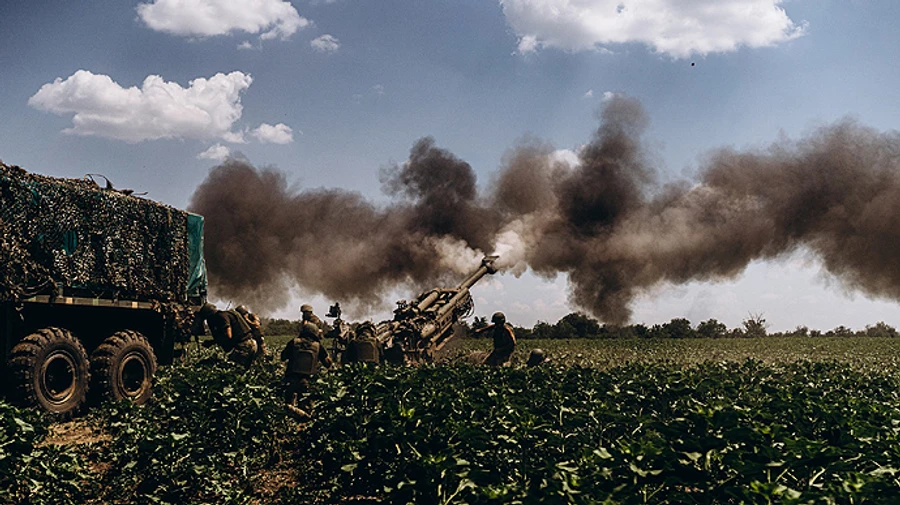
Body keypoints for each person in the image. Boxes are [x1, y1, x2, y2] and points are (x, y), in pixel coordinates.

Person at [281, 321, 332, 419]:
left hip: (290, 380)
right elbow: (327, 364)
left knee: (287, 408)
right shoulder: (318, 346)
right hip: (307, 382)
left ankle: (291, 410)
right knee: (306, 410)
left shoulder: (293, 342)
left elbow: (283, 357)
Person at [196, 303, 259, 367]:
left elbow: (228, 335)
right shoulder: (226, 314)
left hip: (244, 346)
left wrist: (212, 342)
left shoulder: (221, 317)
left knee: (230, 368)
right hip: (250, 344)